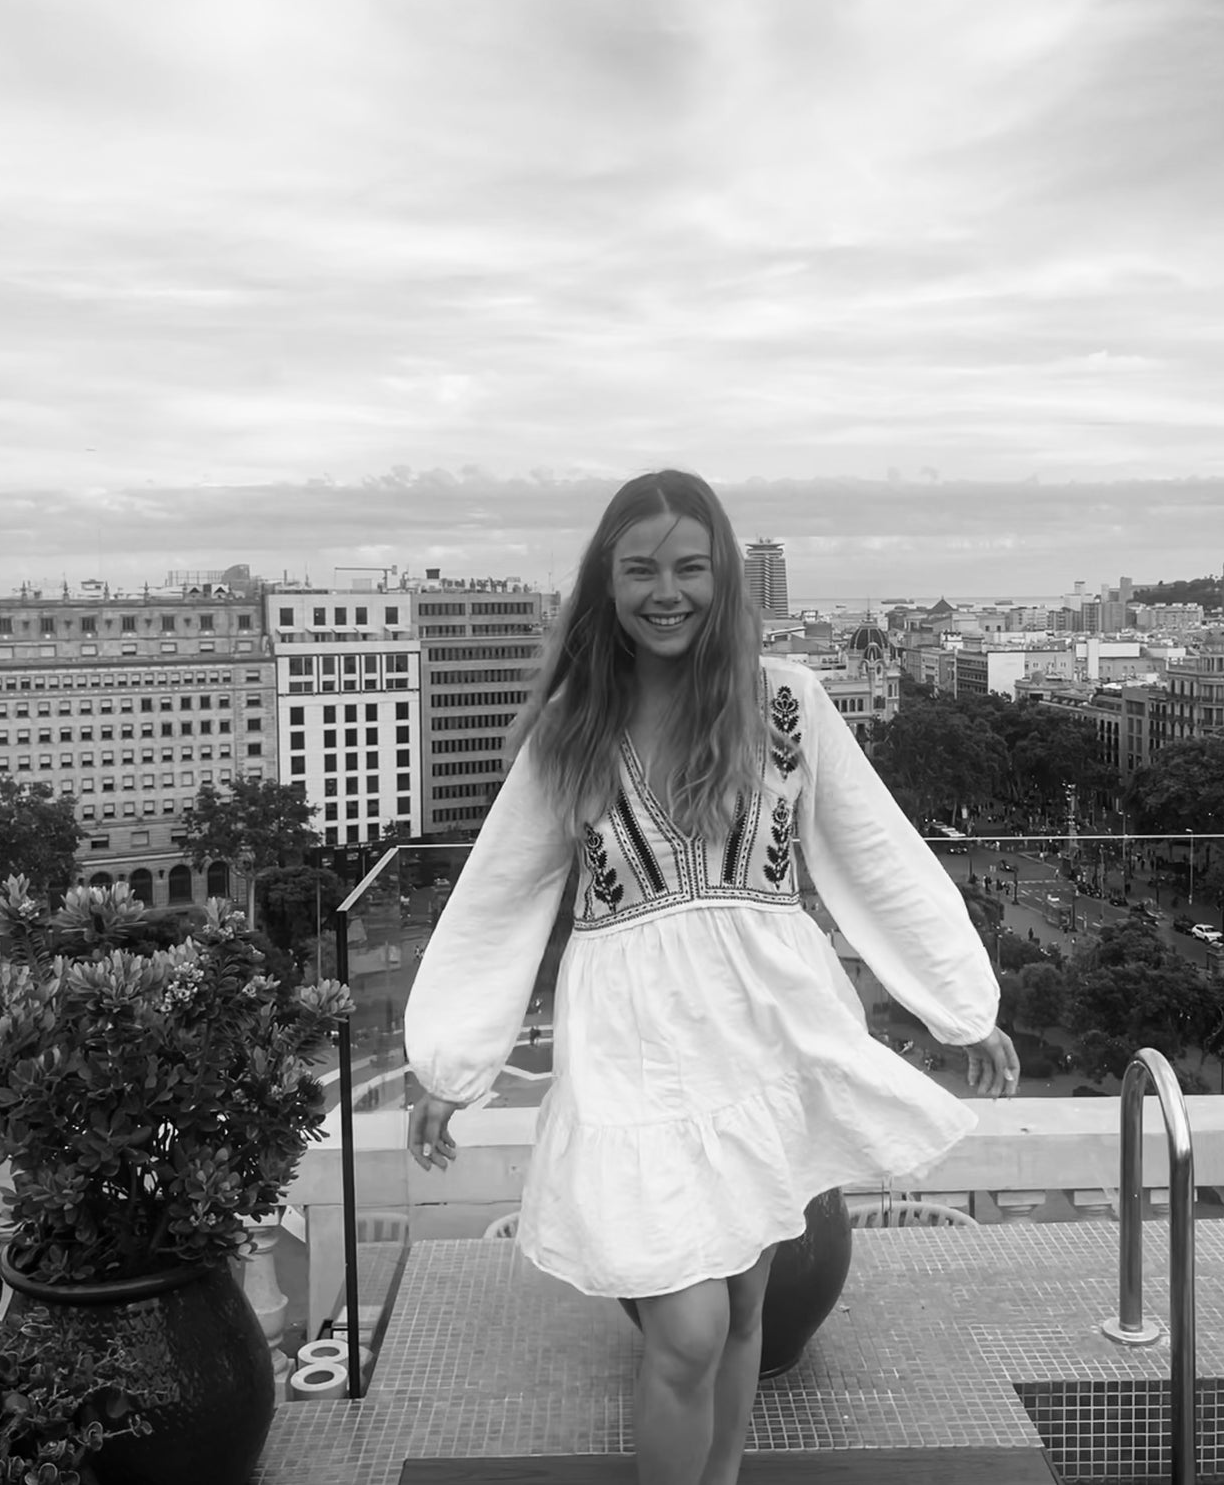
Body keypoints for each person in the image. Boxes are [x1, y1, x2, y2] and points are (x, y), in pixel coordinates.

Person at [404, 469, 1018, 1485]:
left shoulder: (787, 700)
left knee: (739, 1307)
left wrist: (960, 1005)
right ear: (606, 582)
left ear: (724, 575)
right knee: (685, 1328)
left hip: (762, 1026)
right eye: (640, 569)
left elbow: (873, 850)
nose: (667, 591)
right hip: (636, 1044)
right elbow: (501, 894)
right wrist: (450, 1063)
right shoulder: (571, 728)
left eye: (689, 567)